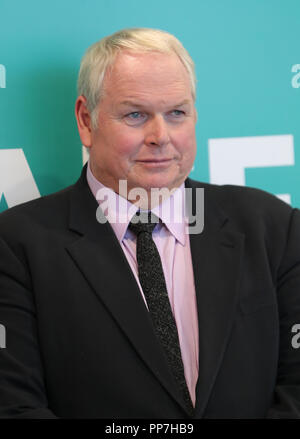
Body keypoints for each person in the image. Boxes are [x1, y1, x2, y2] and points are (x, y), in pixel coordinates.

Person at [0, 28, 300, 419]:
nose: (161, 136)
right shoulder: (16, 245)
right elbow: (15, 405)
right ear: (86, 121)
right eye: (136, 115)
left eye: (176, 113)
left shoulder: (274, 228)